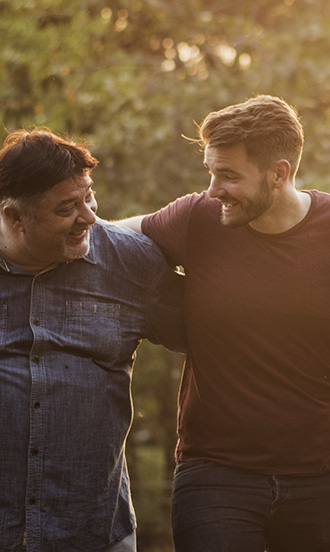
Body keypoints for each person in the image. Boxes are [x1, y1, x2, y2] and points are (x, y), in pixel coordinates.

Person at [117, 95, 330, 551]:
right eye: (211, 172)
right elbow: (104, 239)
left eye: (229, 176)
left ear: (279, 173)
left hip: (324, 474)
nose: (214, 188)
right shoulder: (198, 218)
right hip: (215, 474)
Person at [0, 129, 184, 552]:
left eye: (88, 196)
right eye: (67, 207)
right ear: (15, 217)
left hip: (93, 532)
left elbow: (222, 333)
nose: (89, 216)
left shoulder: (130, 262)